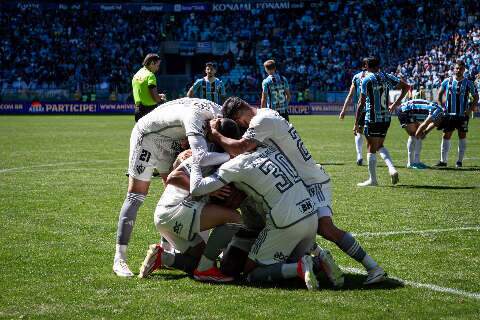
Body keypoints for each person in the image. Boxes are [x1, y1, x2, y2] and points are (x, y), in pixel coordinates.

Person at [209, 96, 387, 285]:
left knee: (325, 228)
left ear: (239, 116)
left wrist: (215, 135)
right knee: (303, 228)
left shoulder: (261, 120)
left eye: (238, 124)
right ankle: (319, 259)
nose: (241, 129)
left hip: (311, 182)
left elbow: (241, 148)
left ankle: (373, 267)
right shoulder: (266, 114)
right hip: (303, 180)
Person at [113, 98, 231, 277]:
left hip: (171, 138)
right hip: (148, 136)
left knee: (174, 191)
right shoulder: (197, 118)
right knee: (136, 195)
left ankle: (166, 249)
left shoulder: (217, 114)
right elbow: (201, 157)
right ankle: (119, 259)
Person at [189, 143, 320, 290]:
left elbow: (196, 188)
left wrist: (196, 160)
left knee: (251, 274)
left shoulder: (235, 168)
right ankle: (317, 260)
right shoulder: (261, 152)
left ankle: (304, 265)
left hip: (278, 224)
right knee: (229, 268)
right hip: (303, 215)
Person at [138, 119, 244, 282]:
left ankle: (163, 257)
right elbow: (174, 177)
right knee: (235, 218)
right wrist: (209, 189)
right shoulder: (208, 155)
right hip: (174, 210)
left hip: (167, 216)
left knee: (199, 260)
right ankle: (206, 270)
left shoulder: (213, 154)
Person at [354, 56, 411, 186]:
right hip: (386, 118)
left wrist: (356, 123)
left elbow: (361, 103)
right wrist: (395, 104)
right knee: (379, 145)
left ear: (367, 67)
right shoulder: (387, 76)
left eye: (365, 65)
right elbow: (406, 87)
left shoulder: (366, 80)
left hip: (373, 117)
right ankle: (392, 169)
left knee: (371, 147)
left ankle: (373, 180)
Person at [435, 59, 478, 168]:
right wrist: (441, 107)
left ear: (464, 70)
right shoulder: (447, 81)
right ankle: (443, 161)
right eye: (456, 68)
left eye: (460, 68)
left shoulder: (468, 83)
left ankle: (459, 161)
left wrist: (469, 109)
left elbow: (476, 97)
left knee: (462, 136)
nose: (458, 70)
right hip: (449, 114)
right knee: (446, 136)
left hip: (462, 115)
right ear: (454, 69)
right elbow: (439, 94)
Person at [393, 99, 445, 169]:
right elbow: (424, 124)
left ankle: (416, 162)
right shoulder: (438, 112)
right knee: (413, 134)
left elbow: (433, 124)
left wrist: (424, 133)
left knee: (418, 135)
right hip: (404, 110)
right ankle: (411, 163)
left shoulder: (440, 114)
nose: (437, 126)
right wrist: (418, 134)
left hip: (409, 110)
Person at [339, 58, 368, 165]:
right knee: (371, 133)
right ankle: (370, 155)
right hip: (371, 108)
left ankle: (359, 156)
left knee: (358, 131)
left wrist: (343, 110)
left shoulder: (356, 77)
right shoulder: (374, 77)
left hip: (359, 108)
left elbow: (350, 95)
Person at [132, 53, 167, 122]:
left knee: (141, 132)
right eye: (157, 65)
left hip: (138, 110)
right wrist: (161, 100)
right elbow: (154, 97)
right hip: (149, 111)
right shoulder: (150, 76)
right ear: (152, 63)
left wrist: (158, 95)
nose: (158, 68)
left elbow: (143, 92)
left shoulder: (136, 75)